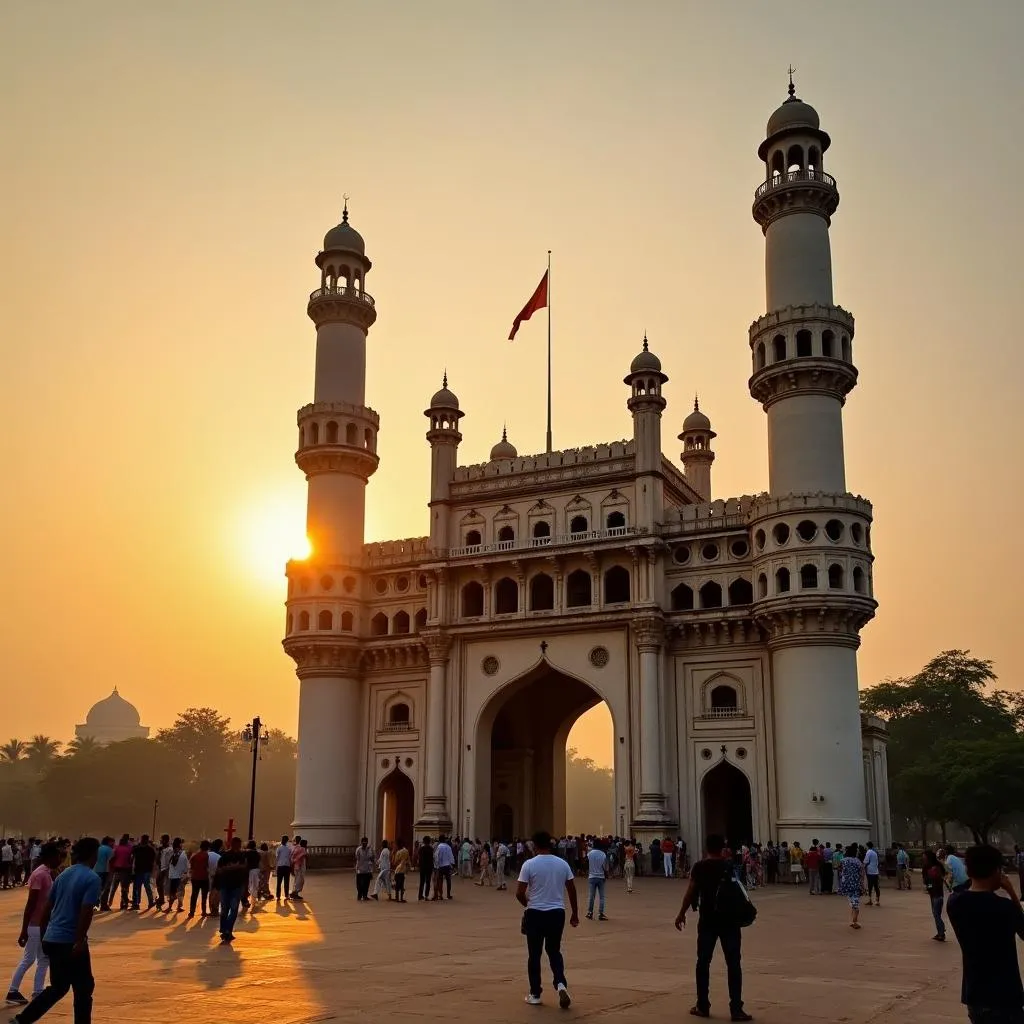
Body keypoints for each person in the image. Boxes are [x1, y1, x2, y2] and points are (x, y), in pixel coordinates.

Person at [9, 837, 101, 1024]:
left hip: (53, 938)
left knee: (59, 987)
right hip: (70, 940)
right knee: (83, 988)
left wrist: (44, 936)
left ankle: (22, 1020)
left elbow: (47, 908)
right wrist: (79, 940)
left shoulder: (63, 875)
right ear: (93, 855)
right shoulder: (92, 878)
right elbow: (86, 912)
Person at [674, 834, 752, 1022]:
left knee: (703, 962)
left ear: (706, 847)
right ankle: (736, 1008)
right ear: (722, 847)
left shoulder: (700, 867)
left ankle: (702, 1005)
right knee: (734, 964)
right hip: (730, 921)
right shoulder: (729, 866)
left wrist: (681, 913)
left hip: (708, 920)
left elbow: (690, 891)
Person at [948, 844, 1024, 1024]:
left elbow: (966, 888)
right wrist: (1012, 892)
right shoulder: (1004, 907)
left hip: (975, 995)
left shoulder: (955, 903)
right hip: (1005, 997)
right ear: (996, 870)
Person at [517, 831, 578, 1008]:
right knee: (554, 951)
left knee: (534, 955)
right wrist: (575, 913)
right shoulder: (562, 864)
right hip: (557, 913)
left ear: (534, 845)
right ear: (551, 844)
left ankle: (535, 993)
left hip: (535, 913)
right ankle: (560, 984)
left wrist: (528, 905)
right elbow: (572, 890)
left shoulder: (529, 864)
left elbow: (519, 892)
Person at [5, 842, 59, 1006]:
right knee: (29, 959)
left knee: (43, 958)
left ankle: (38, 990)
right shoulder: (40, 874)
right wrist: (24, 930)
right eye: (58, 856)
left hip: (42, 923)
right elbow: (31, 904)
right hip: (36, 924)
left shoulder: (47, 872)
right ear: (51, 856)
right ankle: (13, 990)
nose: (60, 860)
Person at [214, 837, 248, 943]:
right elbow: (219, 870)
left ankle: (227, 930)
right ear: (232, 844)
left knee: (233, 910)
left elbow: (244, 871)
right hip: (226, 886)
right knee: (225, 910)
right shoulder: (224, 856)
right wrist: (235, 868)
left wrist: (229, 868)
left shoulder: (242, 856)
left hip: (236, 886)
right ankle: (225, 930)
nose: (237, 846)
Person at [838, 843, 866, 929]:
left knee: (852, 902)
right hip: (855, 884)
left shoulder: (843, 860)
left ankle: (852, 920)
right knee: (856, 904)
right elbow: (862, 874)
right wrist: (863, 886)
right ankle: (855, 921)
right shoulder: (857, 861)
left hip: (846, 884)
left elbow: (839, 869)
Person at [922, 849, 948, 942]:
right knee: (936, 914)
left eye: (924, 857)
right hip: (936, 893)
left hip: (936, 893)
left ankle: (941, 933)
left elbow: (928, 881)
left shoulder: (930, 867)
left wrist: (929, 885)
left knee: (936, 914)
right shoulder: (935, 866)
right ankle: (940, 931)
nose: (923, 859)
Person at [129, 834, 156, 911]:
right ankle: (150, 902)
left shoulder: (137, 848)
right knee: (147, 886)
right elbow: (154, 860)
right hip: (147, 870)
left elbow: (132, 858)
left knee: (137, 887)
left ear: (141, 840)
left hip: (139, 870)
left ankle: (136, 903)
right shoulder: (151, 849)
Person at [585, 839, 608, 921]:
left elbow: (586, 863)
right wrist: (606, 875)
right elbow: (605, 867)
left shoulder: (590, 853)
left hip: (592, 876)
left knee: (591, 896)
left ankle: (590, 912)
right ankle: (600, 913)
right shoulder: (603, 854)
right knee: (602, 896)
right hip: (601, 877)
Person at [187, 840, 211, 918]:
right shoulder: (207, 855)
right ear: (207, 847)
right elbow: (208, 867)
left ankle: (191, 912)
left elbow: (191, 866)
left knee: (194, 895)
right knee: (204, 896)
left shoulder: (195, 855)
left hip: (195, 878)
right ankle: (203, 912)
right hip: (204, 878)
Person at [109, 835, 133, 911]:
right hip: (125, 871)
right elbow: (131, 860)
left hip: (116, 870)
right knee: (124, 888)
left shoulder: (116, 848)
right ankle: (123, 904)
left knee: (113, 888)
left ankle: (109, 902)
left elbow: (112, 858)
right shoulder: (129, 849)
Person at [165, 839, 188, 913]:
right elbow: (186, 867)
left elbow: (168, 864)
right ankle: (178, 907)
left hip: (173, 876)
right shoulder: (183, 854)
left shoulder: (172, 853)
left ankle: (170, 907)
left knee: (173, 892)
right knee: (180, 892)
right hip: (179, 876)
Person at [93, 838, 114, 913]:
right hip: (105, 871)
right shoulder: (109, 850)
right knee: (106, 888)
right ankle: (103, 905)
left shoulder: (98, 848)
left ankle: (94, 904)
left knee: (96, 888)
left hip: (95, 870)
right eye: (112, 842)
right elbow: (111, 862)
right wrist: (111, 873)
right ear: (109, 842)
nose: (113, 844)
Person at [154, 834, 172, 908]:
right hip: (161, 868)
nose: (160, 840)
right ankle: (161, 899)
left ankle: (168, 901)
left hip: (167, 869)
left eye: (161, 839)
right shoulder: (161, 848)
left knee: (168, 885)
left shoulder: (170, 849)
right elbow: (157, 859)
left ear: (165, 840)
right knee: (159, 883)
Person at [244, 840, 261, 909]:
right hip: (256, 869)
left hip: (249, 870)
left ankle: (249, 898)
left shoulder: (247, 852)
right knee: (254, 885)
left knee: (249, 885)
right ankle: (254, 898)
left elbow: (245, 861)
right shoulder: (257, 853)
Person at [417, 837, 434, 902]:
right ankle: (426, 896)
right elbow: (432, 859)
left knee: (422, 882)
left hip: (422, 867)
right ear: (429, 841)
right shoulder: (431, 849)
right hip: (429, 867)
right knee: (428, 882)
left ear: (423, 841)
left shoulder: (421, 849)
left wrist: (419, 866)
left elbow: (420, 859)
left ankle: (420, 896)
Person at [275, 835, 292, 900]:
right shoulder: (288, 849)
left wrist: (276, 867)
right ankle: (286, 895)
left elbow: (277, 858)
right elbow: (290, 858)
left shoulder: (279, 848)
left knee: (279, 882)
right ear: (287, 841)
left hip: (280, 866)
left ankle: (278, 896)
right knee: (286, 882)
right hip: (287, 866)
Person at [392, 839, 409, 903]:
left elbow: (394, 862)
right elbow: (408, 860)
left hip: (398, 870)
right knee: (402, 885)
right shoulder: (406, 851)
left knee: (397, 885)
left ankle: (397, 898)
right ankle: (401, 898)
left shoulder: (398, 852)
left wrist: (393, 854)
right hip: (403, 870)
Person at [864, 841, 881, 906]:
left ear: (868, 846)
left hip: (870, 871)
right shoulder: (875, 852)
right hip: (875, 871)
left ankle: (870, 900)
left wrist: (864, 867)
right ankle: (877, 901)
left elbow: (866, 861)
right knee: (876, 886)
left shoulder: (868, 852)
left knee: (870, 886)